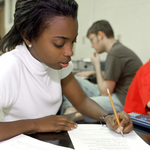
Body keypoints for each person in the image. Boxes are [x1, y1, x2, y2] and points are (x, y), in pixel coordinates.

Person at [0, 0, 133, 142]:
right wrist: (35, 124)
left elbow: (81, 101)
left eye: (72, 42)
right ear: (28, 36)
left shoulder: (57, 65)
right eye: (59, 43)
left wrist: (108, 117)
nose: (70, 52)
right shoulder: (8, 67)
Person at [61, 20, 143, 119]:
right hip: (120, 94)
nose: (92, 45)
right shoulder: (119, 49)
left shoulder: (115, 53)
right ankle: (70, 109)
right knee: (74, 79)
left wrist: (97, 65)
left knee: (80, 103)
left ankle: (70, 111)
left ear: (100, 35)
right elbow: (115, 75)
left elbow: (105, 91)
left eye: (92, 40)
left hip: (121, 100)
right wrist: (92, 73)